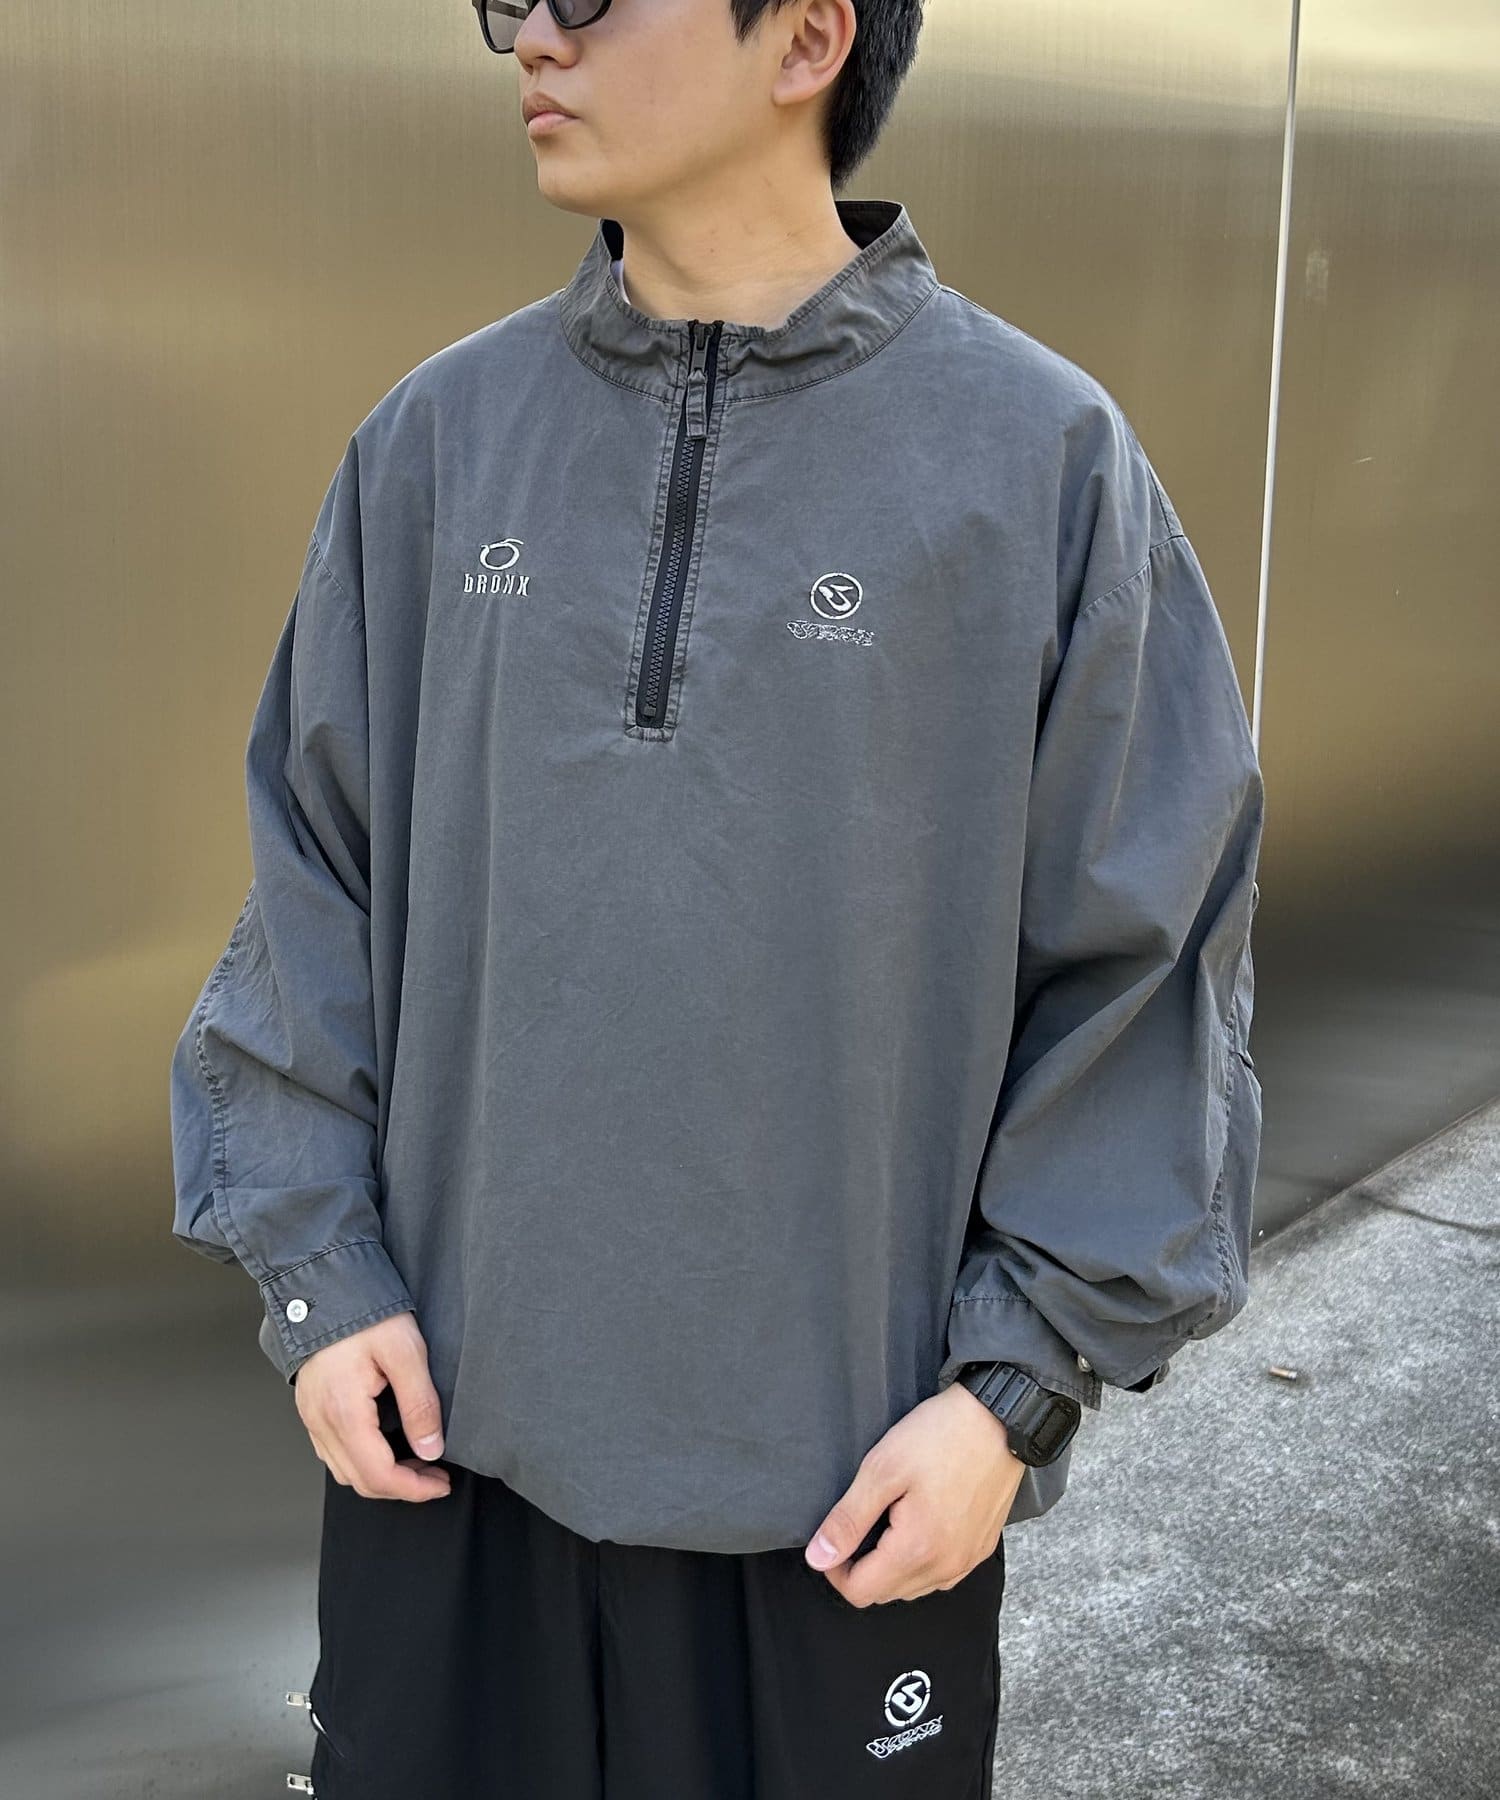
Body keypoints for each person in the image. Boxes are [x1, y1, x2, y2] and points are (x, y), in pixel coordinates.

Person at [168, 0, 1265, 1793]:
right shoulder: (437, 446)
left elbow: (1148, 957)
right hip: (443, 1462)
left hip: (842, 1506)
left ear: (809, 35)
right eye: (511, 2)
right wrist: (319, 1275)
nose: (532, 38)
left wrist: (1014, 1396)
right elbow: (310, 880)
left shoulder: (1041, 464)